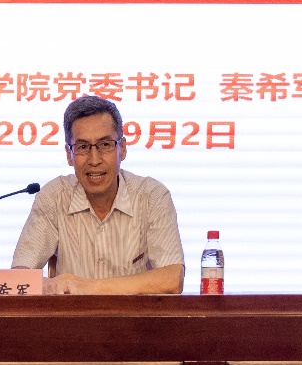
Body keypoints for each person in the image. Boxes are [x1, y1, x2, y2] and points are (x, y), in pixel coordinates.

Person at [12, 95, 185, 294]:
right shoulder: (53, 197)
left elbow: (172, 279)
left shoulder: (152, 196)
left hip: (134, 316)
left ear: (122, 149)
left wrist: (87, 286)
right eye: (82, 147)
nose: (94, 160)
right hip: (70, 315)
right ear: (69, 155)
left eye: (105, 145)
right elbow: (20, 275)